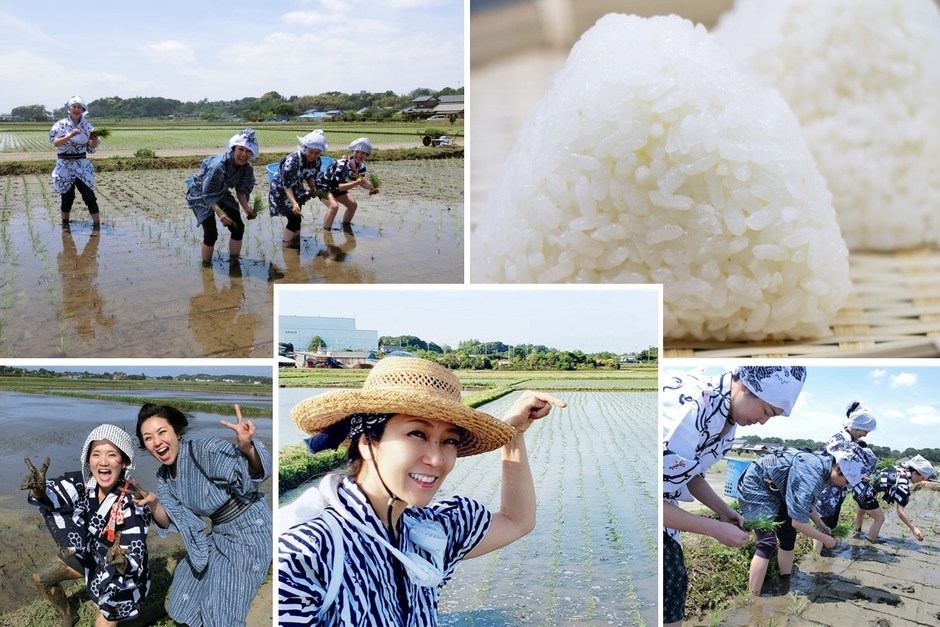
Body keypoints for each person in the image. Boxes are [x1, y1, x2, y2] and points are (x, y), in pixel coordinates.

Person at [277, 357, 566, 625]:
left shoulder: (427, 531)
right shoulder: (305, 553)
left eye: (449, 440)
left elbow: (518, 520)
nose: (437, 459)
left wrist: (514, 435)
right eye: (417, 433)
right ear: (367, 442)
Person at [662, 365, 807, 627]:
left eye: (772, 416)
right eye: (765, 411)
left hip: (666, 521)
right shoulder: (691, 407)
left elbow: (688, 472)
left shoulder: (728, 417)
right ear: (746, 386)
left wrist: (722, 509)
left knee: (671, 597)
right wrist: (714, 529)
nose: (763, 421)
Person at [134, 402, 272, 626]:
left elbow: (251, 473)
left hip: (250, 529)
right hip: (221, 532)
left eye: (162, 432)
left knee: (222, 608)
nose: (157, 442)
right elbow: (171, 518)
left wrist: (247, 447)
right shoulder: (163, 477)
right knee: (185, 587)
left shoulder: (204, 450)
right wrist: (152, 504)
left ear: (177, 432)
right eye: (148, 438)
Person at [21, 424, 151, 627]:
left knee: (103, 621)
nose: (103, 462)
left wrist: (123, 562)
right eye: (96, 454)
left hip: (118, 564)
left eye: (112, 455)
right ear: (87, 458)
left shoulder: (132, 499)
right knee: (41, 578)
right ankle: (67, 615)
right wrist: (39, 491)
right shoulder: (83, 484)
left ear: (124, 461)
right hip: (88, 551)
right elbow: (54, 494)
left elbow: (136, 546)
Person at [737, 440, 876, 596]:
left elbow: (807, 503)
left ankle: (785, 581)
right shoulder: (813, 471)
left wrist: (821, 524)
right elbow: (799, 522)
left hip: (778, 489)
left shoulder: (824, 470)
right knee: (767, 542)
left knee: (788, 534)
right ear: (838, 468)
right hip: (757, 485)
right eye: (846, 482)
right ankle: (753, 596)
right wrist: (825, 539)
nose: (844, 486)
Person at [185, 128, 259, 266]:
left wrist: (246, 207)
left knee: (238, 227)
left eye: (248, 151)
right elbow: (207, 193)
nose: (244, 154)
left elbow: (241, 190)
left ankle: (234, 262)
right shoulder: (218, 166)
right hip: (201, 193)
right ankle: (206, 266)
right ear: (233, 149)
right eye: (240, 149)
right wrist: (220, 213)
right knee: (211, 233)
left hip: (220, 191)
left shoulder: (246, 168)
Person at [813, 400, 877, 554]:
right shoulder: (841, 441)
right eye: (865, 431)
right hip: (829, 490)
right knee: (823, 522)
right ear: (857, 426)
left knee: (830, 521)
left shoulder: (848, 441)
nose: (865, 435)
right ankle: (816, 556)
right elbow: (840, 468)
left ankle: (824, 551)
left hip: (837, 490)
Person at [853, 454, 938, 543]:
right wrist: (914, 528)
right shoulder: (903, 483)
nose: (921, 480)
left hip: (858, 488)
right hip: (866, 494)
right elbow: (900, 511)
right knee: (880, 518)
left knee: (860, 512)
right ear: (915, 472)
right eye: (922, 477)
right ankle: (870, 542)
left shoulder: (899, 470)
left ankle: (857, 534)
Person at [49, 96, 101, 228]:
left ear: (83, 110)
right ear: (69, 108)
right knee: (67, 197)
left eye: (79, 107)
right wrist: (70, 135)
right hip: (64, 165)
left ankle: (97, 225)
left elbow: (92, 146)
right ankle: (65, 225)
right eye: (74, 106)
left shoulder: (88, 126)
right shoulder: (60, 125)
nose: (77, 109)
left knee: (89, 196)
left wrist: (94, 139)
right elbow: (56, 142)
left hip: (82, 165)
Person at [269, 130, 328, 244]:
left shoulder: (317, 161)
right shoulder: (293, 160)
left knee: (297, 218)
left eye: (317, 153)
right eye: (310, 151)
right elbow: (287, 187)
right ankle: (287, 247)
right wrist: (294, 203)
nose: (313, 155)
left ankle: (295, 242)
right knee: (293, 219)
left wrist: (312, 187)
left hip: (297, 188)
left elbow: (310, 174)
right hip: (281, 190)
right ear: (305, 147)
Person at [318, 137, 379, 230]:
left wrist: (371, 187)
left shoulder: (362, 165)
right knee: (334, 206)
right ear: (352, 151)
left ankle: (346, 227)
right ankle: (326, 232)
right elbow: (339, 187)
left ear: (366, 154)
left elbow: (362, 182)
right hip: (322, 186)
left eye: (363, 153)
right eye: (357, 152)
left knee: (353, 206)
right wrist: (356, 182)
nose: (359, 155)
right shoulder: (343, 164)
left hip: (336, 187)